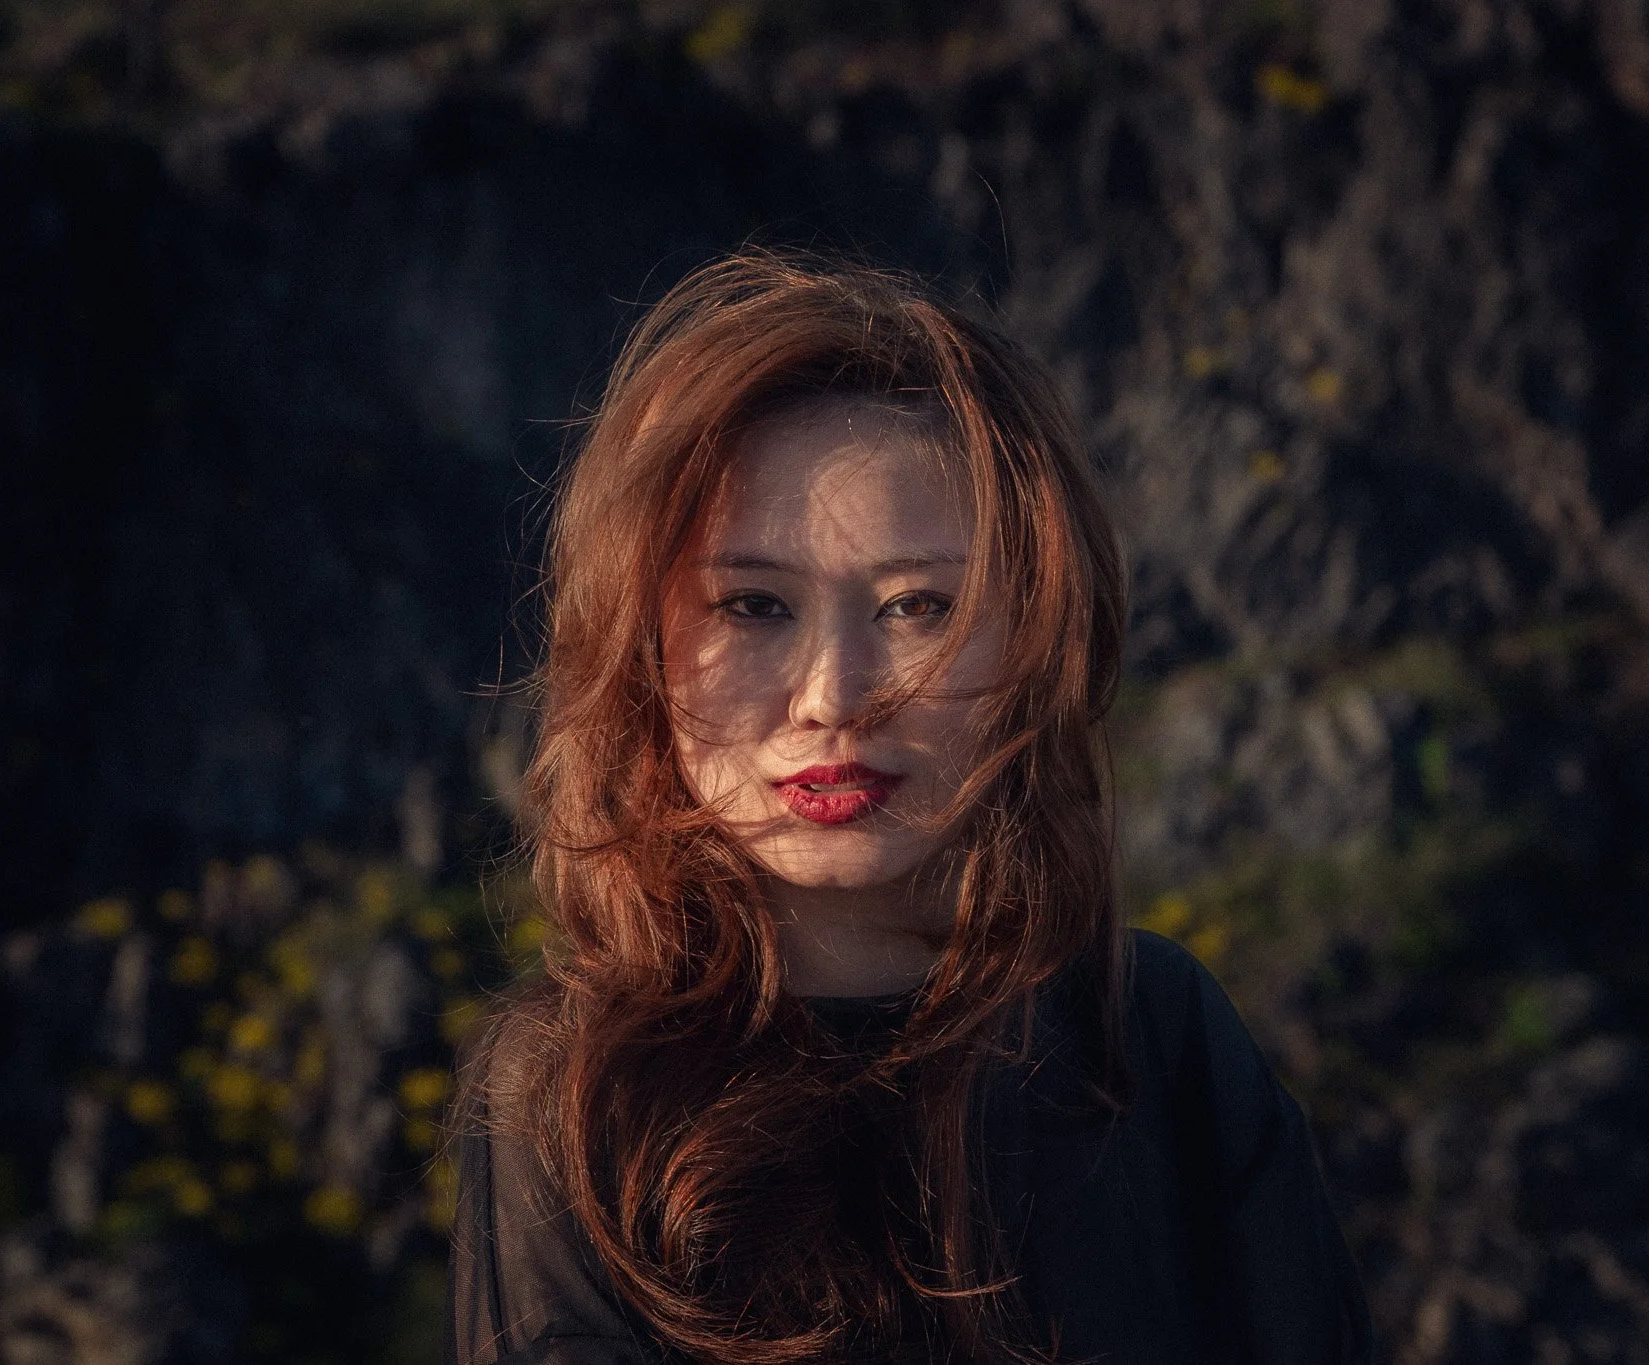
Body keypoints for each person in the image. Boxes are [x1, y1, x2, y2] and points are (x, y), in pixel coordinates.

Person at [447, 251, 1374, 1365]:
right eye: (750, 605)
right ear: (640, 649)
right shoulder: (569, 1092)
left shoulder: (1149, 1035)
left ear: (1034, 637)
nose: (832, 696)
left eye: (914, 606)